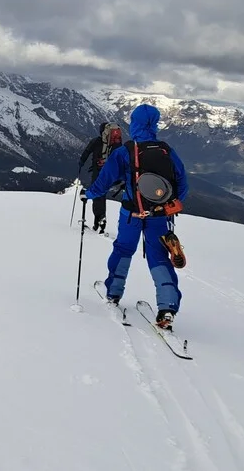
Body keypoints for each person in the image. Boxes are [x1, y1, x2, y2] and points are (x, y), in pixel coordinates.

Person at [83, 103, 189, 329]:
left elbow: (104, 181)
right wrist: (168, 204)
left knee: (123, 249)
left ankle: (113, 292)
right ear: (155, 124)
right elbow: (182, 182)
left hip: (131, 212)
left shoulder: (125, 151)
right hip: (159, 216)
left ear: (135, 123)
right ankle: (168, 307)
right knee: (159, 256)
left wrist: (89, 194)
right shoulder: (166, 150)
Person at [77, 122, 113, 233]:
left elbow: (87, 152)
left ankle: (98, 221)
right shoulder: (113, 143)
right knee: (102, 195)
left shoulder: (96, 141)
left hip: (97, 172)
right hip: (110, 173)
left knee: (97, 194)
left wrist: (81, 162)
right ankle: (102, 220)